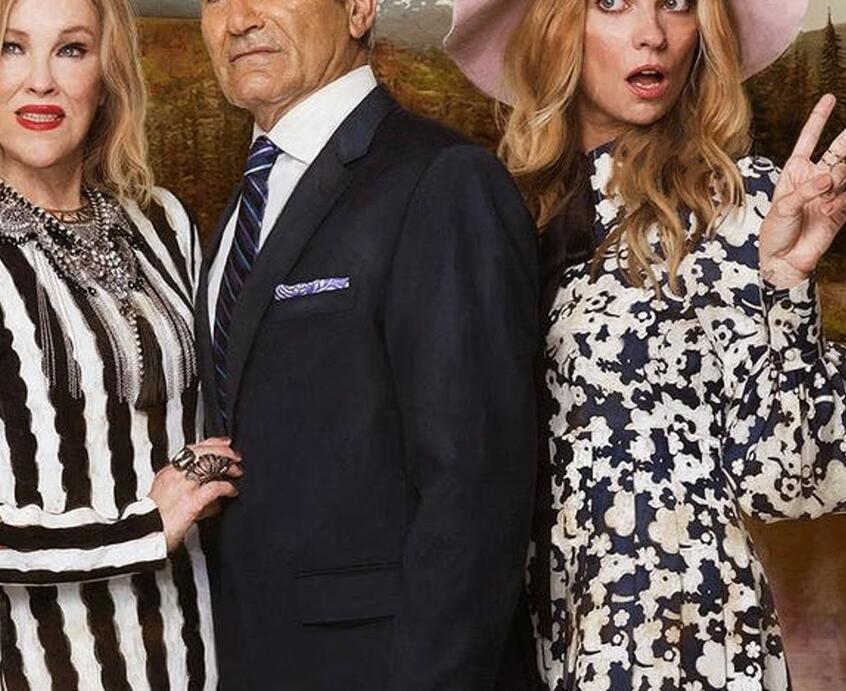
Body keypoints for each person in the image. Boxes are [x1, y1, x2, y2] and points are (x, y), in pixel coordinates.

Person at [446, 0, 846, 688]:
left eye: (677, 4)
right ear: (557, 26)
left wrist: (785, 283)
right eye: (612, 2)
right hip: (534, 638)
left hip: (681, 636)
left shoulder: (736, 201)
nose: (653, 34)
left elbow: (786, 483)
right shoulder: (508, 212)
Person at [0, 0, 239, 689]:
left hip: (205, 656)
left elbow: (214, 414)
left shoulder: (163, 223)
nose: (41, 80)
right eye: (11, 48)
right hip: (51, 667)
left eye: (71, 49)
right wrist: (136, 531)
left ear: (106, 72)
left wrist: (202, 468)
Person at [195, 0, 540, 688]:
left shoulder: (443, 179)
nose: (239, 19)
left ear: (358, 9)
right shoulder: (246, 201)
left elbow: (474, 496)